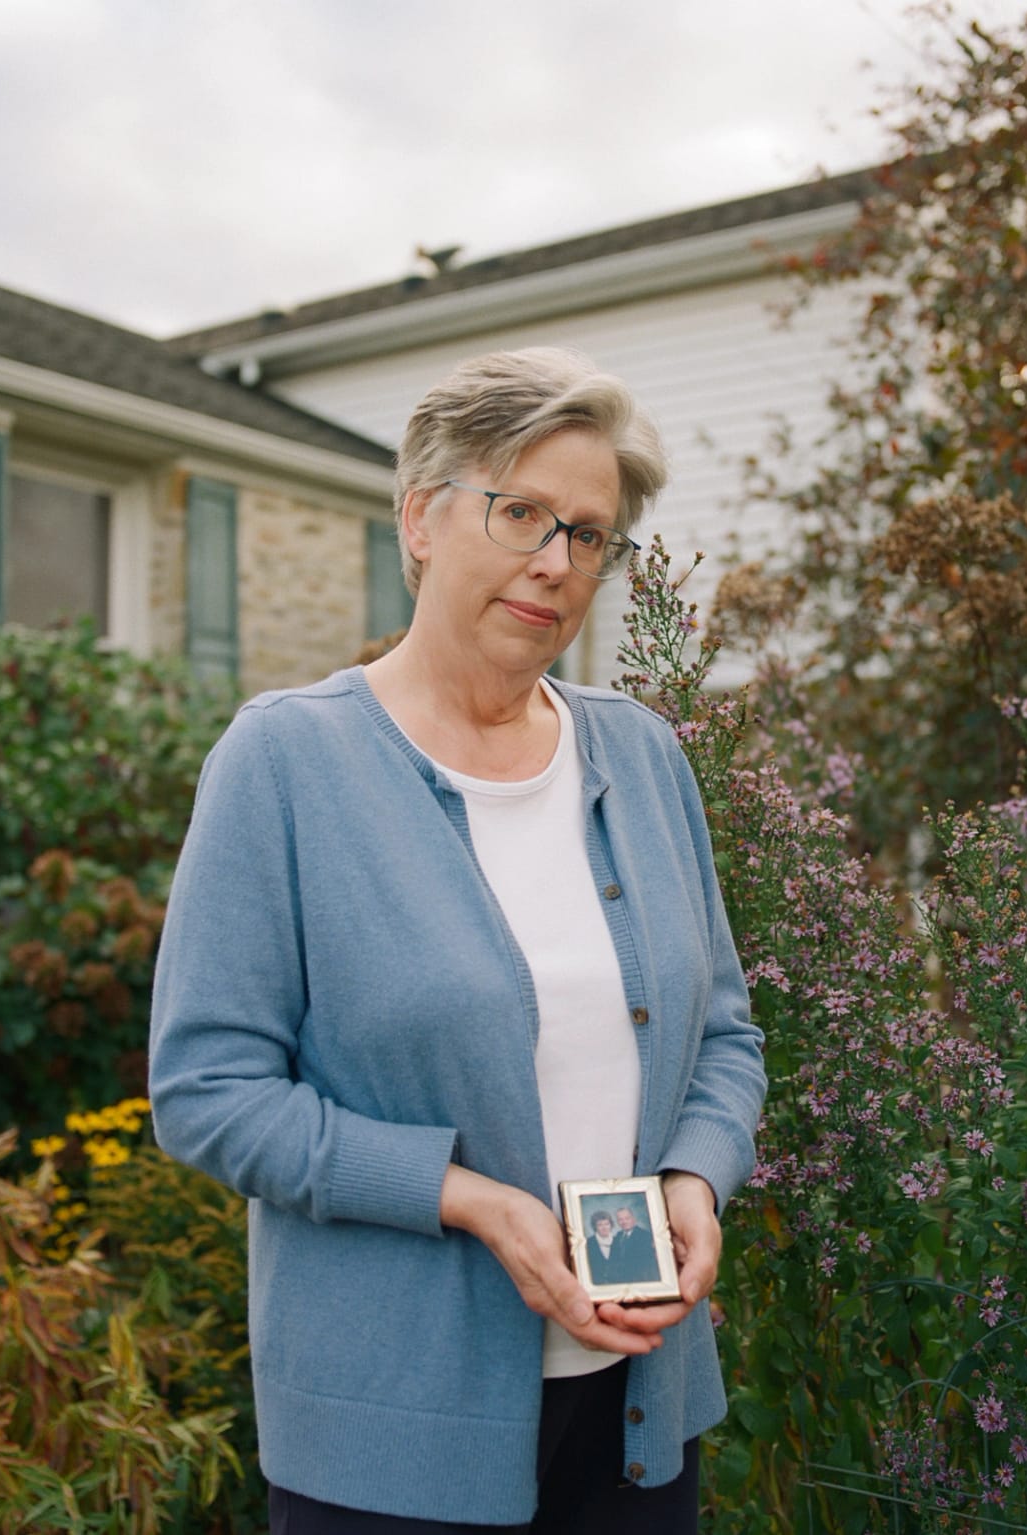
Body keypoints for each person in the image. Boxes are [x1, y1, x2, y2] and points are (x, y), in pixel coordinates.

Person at [149, 347, 766, 1533]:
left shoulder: (640, 755)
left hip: (638, 1407)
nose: (554, 560)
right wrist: (470, 1200)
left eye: (587, 533)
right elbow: (206, 1091)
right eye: (520, 510)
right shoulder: (284, 763)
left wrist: (695, 1173)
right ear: (421, 516)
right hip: (390, 1436)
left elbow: (725, 1033)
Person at [608, 1204, 659, 1284]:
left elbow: (645, 1263)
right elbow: (612, 1260)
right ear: (617, 1222)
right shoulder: (618, 1236)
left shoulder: (645, 1236)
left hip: (639, 1280)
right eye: (620, 1219)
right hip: (619, 1280)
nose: (624, 1222)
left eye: (627, 1218)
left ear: (633, 1219)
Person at [584, 1211, 621, 1285]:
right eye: (600, 1225)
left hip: (618, 1284)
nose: (604, 1228)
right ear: (595, 1227)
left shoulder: (619, 1241)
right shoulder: (587, 1243)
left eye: (607, 1224)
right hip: (596, 1285)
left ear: (611, 1225)